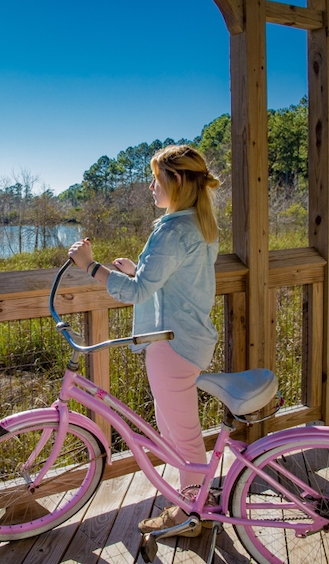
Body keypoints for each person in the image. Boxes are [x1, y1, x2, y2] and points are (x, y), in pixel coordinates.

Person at [68, 144, 220, 536]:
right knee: (176, 431)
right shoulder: (200, 225)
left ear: (178, 180)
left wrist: (90, 267)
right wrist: (141, 271)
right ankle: (195, 501)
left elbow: (136, 293)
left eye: (157, 178)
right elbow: (176, 280)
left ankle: (190, 513)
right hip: (190, 339)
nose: (151, 186)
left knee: (181, 436)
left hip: (172, 346)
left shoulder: (172, 228)